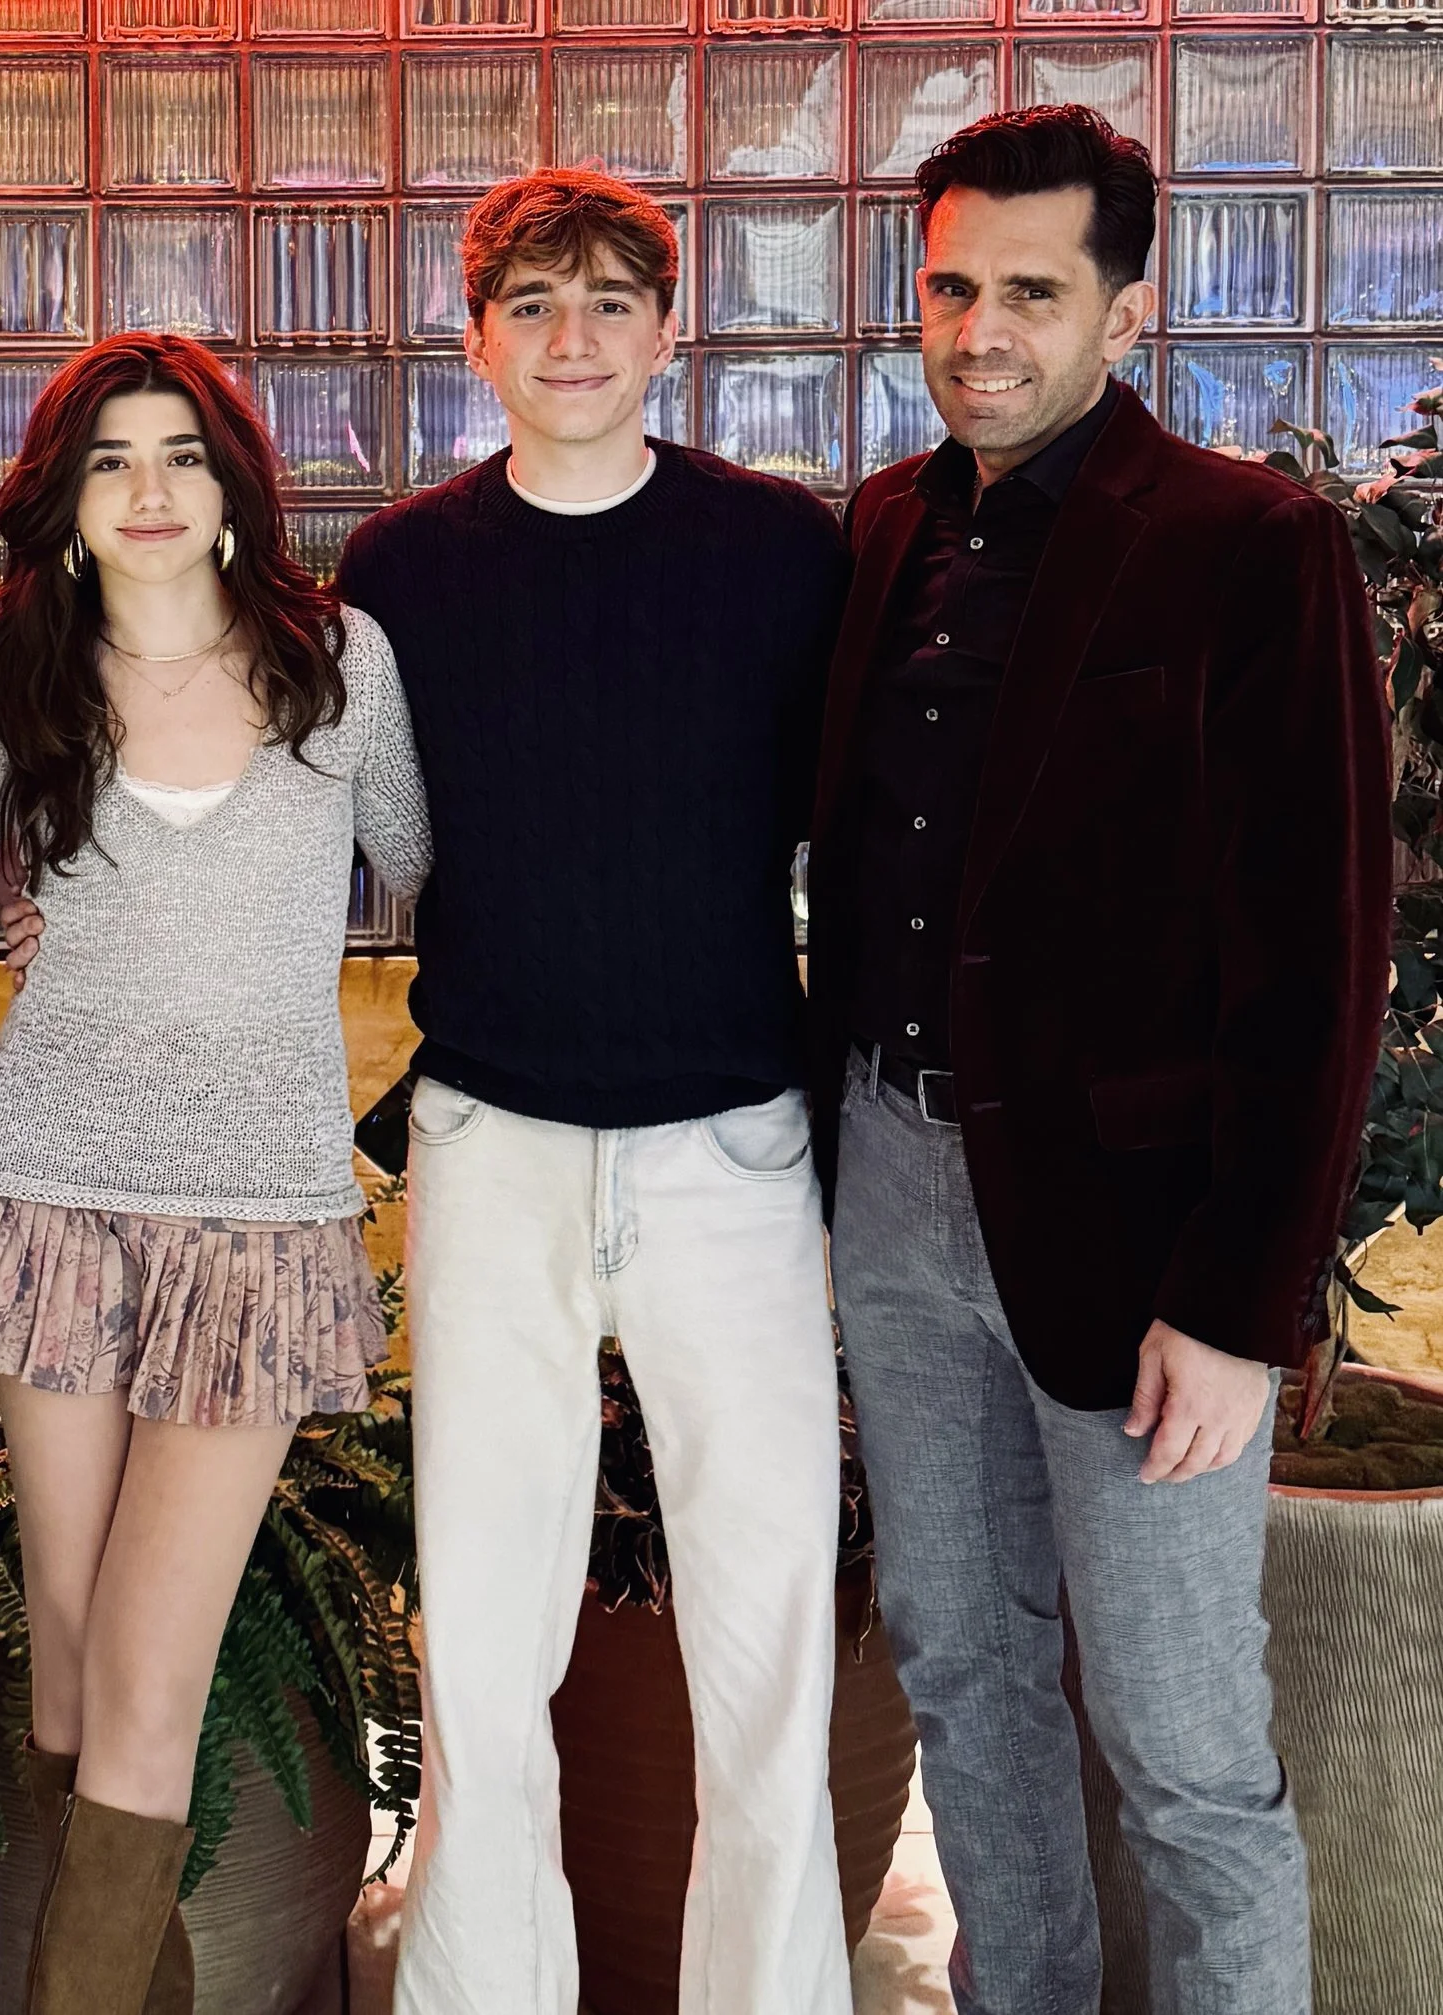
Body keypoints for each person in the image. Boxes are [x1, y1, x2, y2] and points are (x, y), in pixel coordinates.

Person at [808, 105, 1388, 2015]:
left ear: (1125, 313)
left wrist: (1242, 1302)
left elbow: (1319, 952)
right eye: (952, 284)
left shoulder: (1250, 543)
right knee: (965, 1681)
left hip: (1144, 1241)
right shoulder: (890, 522)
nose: (982, 328)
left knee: (1183, 1743)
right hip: (895, 1182)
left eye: (1034, 294)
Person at [336, 168, 855, 2015]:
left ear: (668, 326)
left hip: (730, 1140)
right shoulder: (398, 571)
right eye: (532, 304)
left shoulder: (786, 553)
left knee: (772, 1621)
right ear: (476, 336)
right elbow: (364, 833)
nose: (572, 338)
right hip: (492, 1135)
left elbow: (847, 839)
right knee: (480, 1630)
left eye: (609, 301)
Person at [0, 330, 427, 2014]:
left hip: (255, 1218)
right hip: (51, 1192)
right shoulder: (16, 681)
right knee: (70, 1651)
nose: (149, 488)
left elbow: (418, 867)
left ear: (231, 491)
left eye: (182, 455)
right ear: (65, 506)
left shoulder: (339, 663)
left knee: (149, 1665)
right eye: (112, 459)